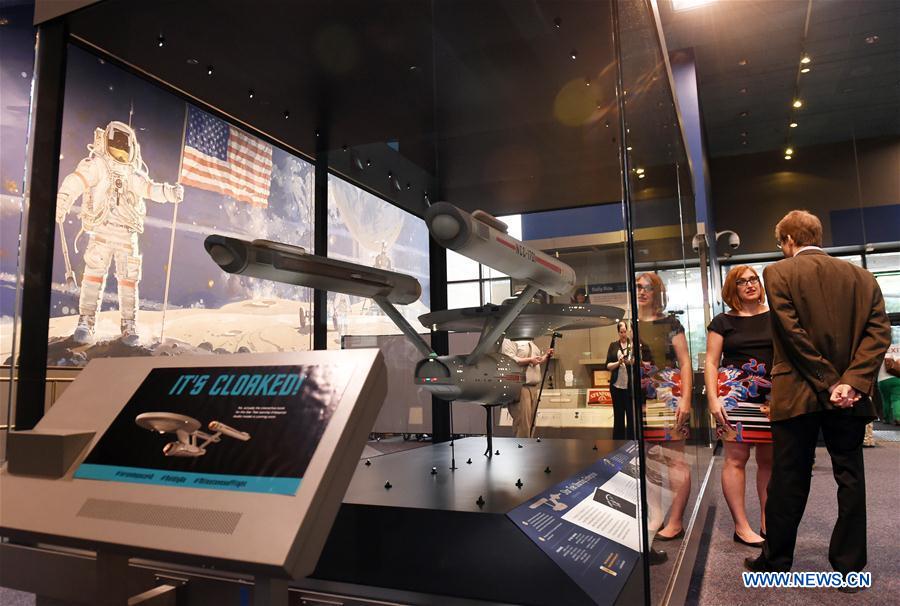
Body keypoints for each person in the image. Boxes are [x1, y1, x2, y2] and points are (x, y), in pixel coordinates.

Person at [745, 210, 891, 586]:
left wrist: (828, 382)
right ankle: (848, 566)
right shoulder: (863, 277)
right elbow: (878, 333)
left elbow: (793, 335)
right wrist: (852, 383)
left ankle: (775, 561)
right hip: (849, 396)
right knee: (850, 475)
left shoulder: (778, 273)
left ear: (788, 240)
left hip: (797, 393)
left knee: (789, 476)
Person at [55, 121, 183, 345]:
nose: (121, 151)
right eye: (117, 145)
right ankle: (86, 321)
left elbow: (149, 189)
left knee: (128, 281)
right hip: (102, 231)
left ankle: (128, 324)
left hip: (126, 234)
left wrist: (170, 193)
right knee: (93, 277)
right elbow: (76, 181)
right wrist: (62, 202)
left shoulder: (132, 173)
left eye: (125, 147)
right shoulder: (97, 165)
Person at [705, 265, 773, 548]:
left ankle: (769, 524)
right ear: (733, 289)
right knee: (736, 459)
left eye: (753, 279)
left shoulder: (776, 316)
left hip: (773, 396)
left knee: (770, 462)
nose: (749, 284)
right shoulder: (722, 321)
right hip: (733, 395)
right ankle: (741, 526)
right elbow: (711, 361)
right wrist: (712, 398)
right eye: (742, 281)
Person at [635, 272, 693, 542]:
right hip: (643, 400)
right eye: (638, 287)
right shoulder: (630, 324)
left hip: (670, 397)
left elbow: (685, 363)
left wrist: (686, 399)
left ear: (657, 292)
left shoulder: (671, 323)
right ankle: (655, 516)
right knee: (650, 460)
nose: (643, 291)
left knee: (675, 460)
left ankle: (676, 520)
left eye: (648, 287)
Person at [501, 337, 553, 438]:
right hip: (521, 386)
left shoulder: (529, 340)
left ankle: (528, 448)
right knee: (523, 424)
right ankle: (522, 450)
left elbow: (535, 361)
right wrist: (529, 360)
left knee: (531, 422)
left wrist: (544, 357)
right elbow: (509, 359)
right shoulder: (509, 340)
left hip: (533, 387)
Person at [606, 320, 635, 440]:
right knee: (618, 414)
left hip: (629, 386)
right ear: (618, 332)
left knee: (630, 414)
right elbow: (607, 365)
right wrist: (618, 363)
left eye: (625, 332)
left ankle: (632, 440)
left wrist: (629, 362)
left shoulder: (632, 344)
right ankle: (618, 441)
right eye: (621, 332)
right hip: (616, 386)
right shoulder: (613, 345)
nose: (623, 334)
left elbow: (636, 362)